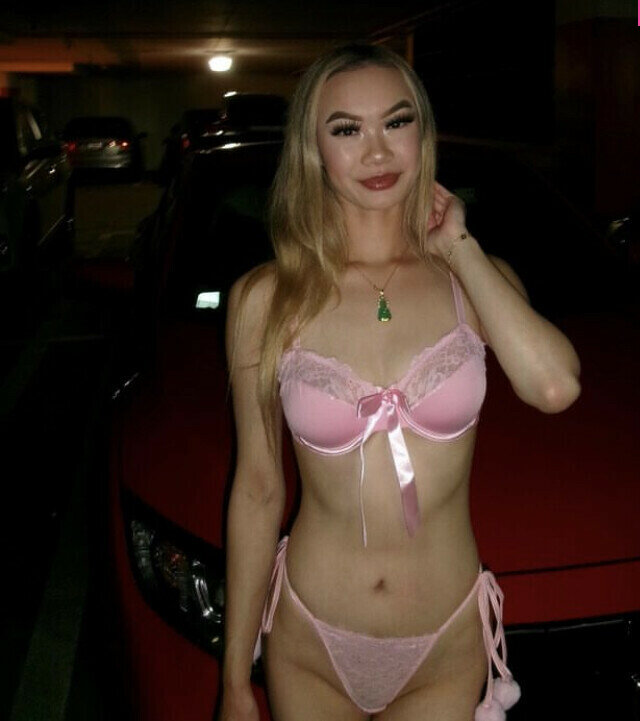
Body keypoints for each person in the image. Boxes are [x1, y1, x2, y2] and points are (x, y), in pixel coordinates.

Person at [219, 43, 581, 721]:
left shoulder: (470, 282)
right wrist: (235, 677)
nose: (377, 152)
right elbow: (258, 487)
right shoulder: (266, 299)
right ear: (313, 150)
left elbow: (555, 386)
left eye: (396, 121)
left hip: (443, 640)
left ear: (423, 133)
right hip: (310, 638)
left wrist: (459, 248)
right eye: (347, 129)